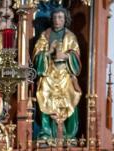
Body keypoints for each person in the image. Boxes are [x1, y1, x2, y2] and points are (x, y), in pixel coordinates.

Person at [33, 7, 81, 139]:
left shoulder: (70, 36)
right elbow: (37, 55)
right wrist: (49, 52)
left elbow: (76, 56)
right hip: (49, 72)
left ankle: (68, 134)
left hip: (65, 73)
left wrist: (66, 56)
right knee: (43, 93)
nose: (57, 20)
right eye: (54, 17)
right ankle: (47, 132)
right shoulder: (45, 35)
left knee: (70, 95)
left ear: (65, 19)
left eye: (60, 17)